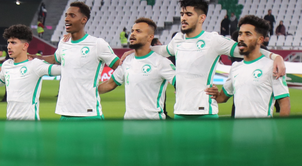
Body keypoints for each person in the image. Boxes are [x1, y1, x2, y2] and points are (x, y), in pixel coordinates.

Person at [142, 0, 285, 119]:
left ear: (201, 18)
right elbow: (161, 50)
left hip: (205, 113)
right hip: (179, 112)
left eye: (189, 14)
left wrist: (275, 56)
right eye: (182, 14)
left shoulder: (213, 40)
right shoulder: (178, 39)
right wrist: (133, 52)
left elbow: (247, 48)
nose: (183, 18)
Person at [33, 1, 120, 119]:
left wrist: (110, 84)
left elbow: (121, 68)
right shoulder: (64, 42)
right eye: (66, 15)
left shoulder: (97, 44)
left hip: (90, 114)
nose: (67, 19)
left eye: (72, 16)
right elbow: (55, 59)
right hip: (65, 113)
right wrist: (37, 58)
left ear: (83, 20)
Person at [210, 15, 289, 117]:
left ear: (260, 39)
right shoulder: (235, 67)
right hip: (238, 132)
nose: (241, 38)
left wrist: (283, 131)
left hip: (264, 132)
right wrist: (214, 92)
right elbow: (221, 98)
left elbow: (284, 103)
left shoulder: (271, 67)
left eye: (248, 34)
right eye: (240, 34)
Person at [98, 18, 175, 120]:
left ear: (150, 37)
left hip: (153, 128)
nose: (132, 34)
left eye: (138, 31)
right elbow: (110, 84)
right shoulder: (127, 61)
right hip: (129, 127)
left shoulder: (161, 62)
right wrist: (88, 91)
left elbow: (181, 82)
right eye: (133, 30)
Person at [0, 24, 60, 120]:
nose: (8, 46)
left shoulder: (35, 65)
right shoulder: (6, 65)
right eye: (8, 42)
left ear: (25, 46)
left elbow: (62, 70)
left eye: (13, 43)